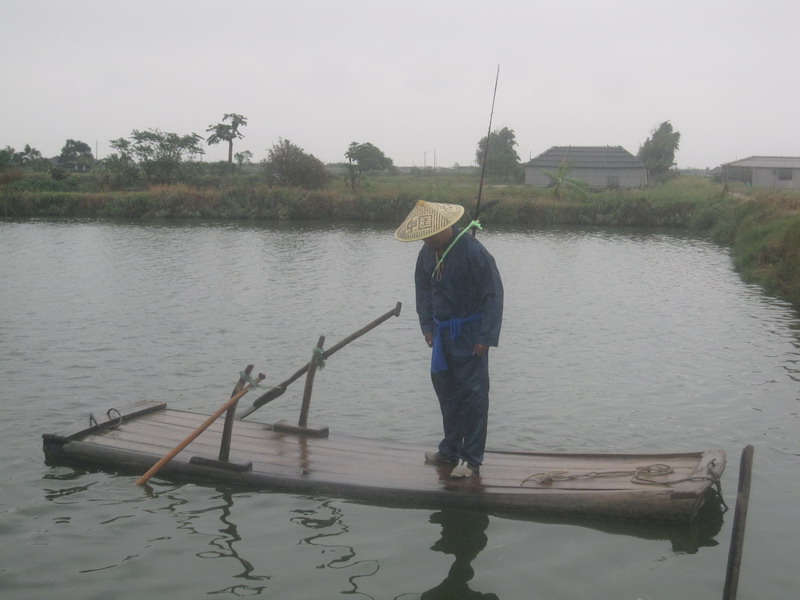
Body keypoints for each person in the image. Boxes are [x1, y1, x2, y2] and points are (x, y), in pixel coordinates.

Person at [395, 200, 503, 478]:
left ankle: (472, 459)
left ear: (447, 226)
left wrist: (485, 336)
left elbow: (493, 294)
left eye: (431, 234)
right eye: (424, 236)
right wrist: (427, 324)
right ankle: (450, 450)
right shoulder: (426, 253)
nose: (428, 239)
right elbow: (422, 288)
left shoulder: (473, 251)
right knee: (447, 392)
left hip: (470, 335)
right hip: (442, 335)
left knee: (474, 395)